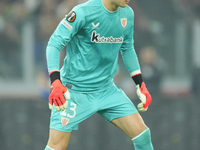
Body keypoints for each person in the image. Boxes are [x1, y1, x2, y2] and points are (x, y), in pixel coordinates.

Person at [45, 0, 154, 150]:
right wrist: (55, 82)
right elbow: (54, 43)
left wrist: (140, 84)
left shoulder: (128, 13)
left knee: (143, 135)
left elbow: (127, 48)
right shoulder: (82, 12)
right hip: (74, 92)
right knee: (56, 147)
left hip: (106, 90)